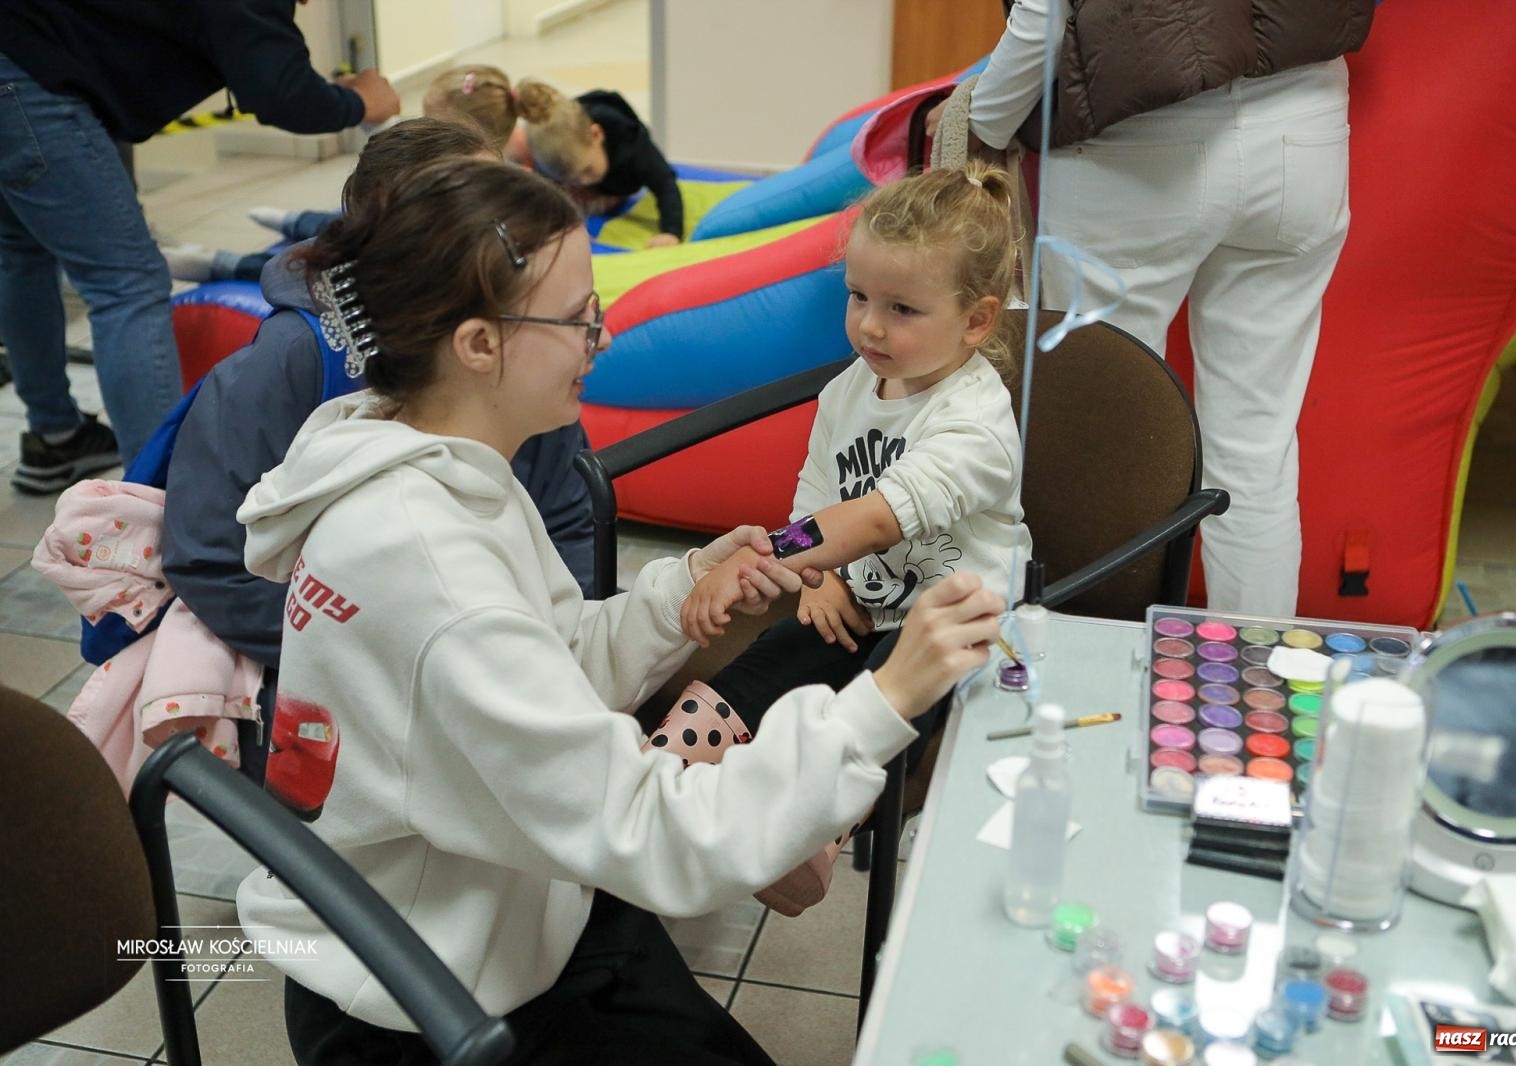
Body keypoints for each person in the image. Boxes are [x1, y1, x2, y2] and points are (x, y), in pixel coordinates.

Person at [232, 157, 1003, 1064]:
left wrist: (682, 591)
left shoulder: (431, 464)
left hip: (509, 906)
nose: (600, 339)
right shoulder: (431, 568)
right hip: (430, 993)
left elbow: (549, 657)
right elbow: (653, 831)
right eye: (575, 318)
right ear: (480, 344)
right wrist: (883, 702)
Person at [162, 118, 600, 785]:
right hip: (349, 677)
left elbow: (568, 518)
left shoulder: (525, 373)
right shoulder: (288, 370)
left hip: (498, 654)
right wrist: (379, 650)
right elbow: (210, 560)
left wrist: (548, 640)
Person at [666, 161, 1032, 910]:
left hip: (951, 616)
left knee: (898, 679)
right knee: (777, 654)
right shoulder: (848, 390)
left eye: (901, 308)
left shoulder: (977, 421)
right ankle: (671, 769)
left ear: (976, 321)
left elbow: (870, 518)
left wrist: (760, 557)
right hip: (857, 595)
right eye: (859, 296)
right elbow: (820, 496)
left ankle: (806, 839)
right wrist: (818, 575)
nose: (869, 324)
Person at [945, 0, 1372, 615]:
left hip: (1135, 143)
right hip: (1305, 130)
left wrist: (981, 123)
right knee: (1257, 446)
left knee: (1104, 443)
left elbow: (1043, 12)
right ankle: (1251, 684)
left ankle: (1089, 688)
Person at [0, 0, 401, 492]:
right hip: (27, 79)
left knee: (22, 253)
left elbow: (263, 65)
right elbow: (280, 92)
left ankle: (56, 436)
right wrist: (360, 103)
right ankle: (158, 498)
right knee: (128, 284)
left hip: (19, 57)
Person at [425, 66, 685, 248]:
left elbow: (665, 183)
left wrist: (671, 232)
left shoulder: (633, 151)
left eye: (586, 172)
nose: (582, 181)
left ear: (596, 135)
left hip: (609, 189)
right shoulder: (541, 145)